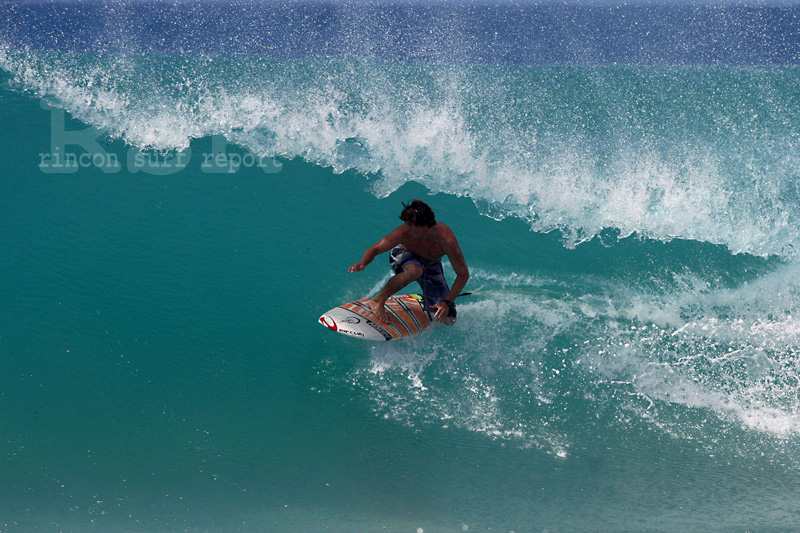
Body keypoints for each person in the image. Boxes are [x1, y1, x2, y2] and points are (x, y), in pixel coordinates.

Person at [348, 199, 469, 325]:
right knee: (415, 271)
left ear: (425, 225)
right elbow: (375, 249)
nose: (407, 228)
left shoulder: (446, 240)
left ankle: (427, 298)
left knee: (449, 319)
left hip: (431, 265)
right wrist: (363, 263)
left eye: (411, 225)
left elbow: (463, 274)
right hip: (403, 255)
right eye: (406, 223)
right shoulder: (404, 233)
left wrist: (447, 302)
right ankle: (378, 301)